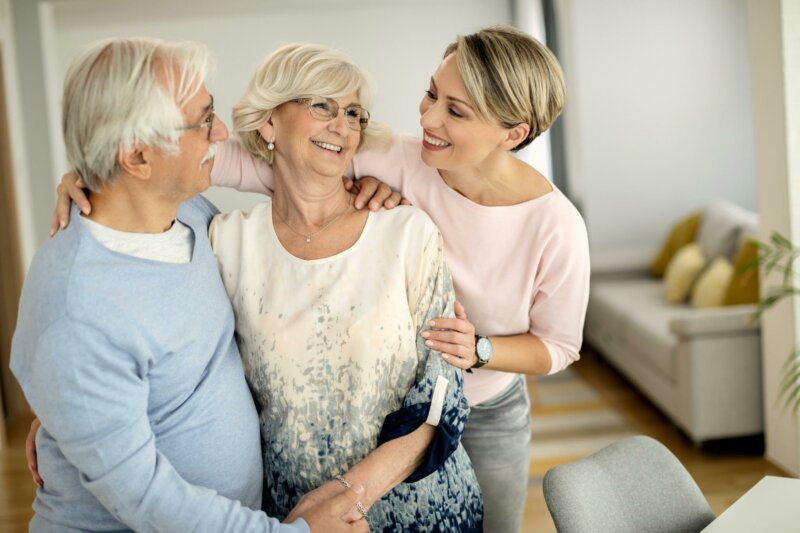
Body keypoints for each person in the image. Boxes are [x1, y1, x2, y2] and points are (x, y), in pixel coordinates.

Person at [208, 26, 590, 532]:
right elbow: (271, 164)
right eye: (432, 93)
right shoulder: (397, 158)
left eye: (455, 112)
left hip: (488, 409)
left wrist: (480, 350)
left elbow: (559, 346)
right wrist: (103, 176)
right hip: (397, 410)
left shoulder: (554, 225)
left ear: (513, 133)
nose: (428, 117)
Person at [11, 37, 367, 533]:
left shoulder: (189, 213)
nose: (220, 133)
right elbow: (147, 502)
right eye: (202, 122)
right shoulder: (75, 311)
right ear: (136, 156)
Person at [209, 43, 482, 532]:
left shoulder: (406, 233)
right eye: (322, 106)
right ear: (269, 123)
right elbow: (173, 357)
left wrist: (346, 498)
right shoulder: (227, 243)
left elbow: (442, 397)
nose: (343, 125)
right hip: (294, 520)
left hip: (422, 511)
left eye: (354, 113)